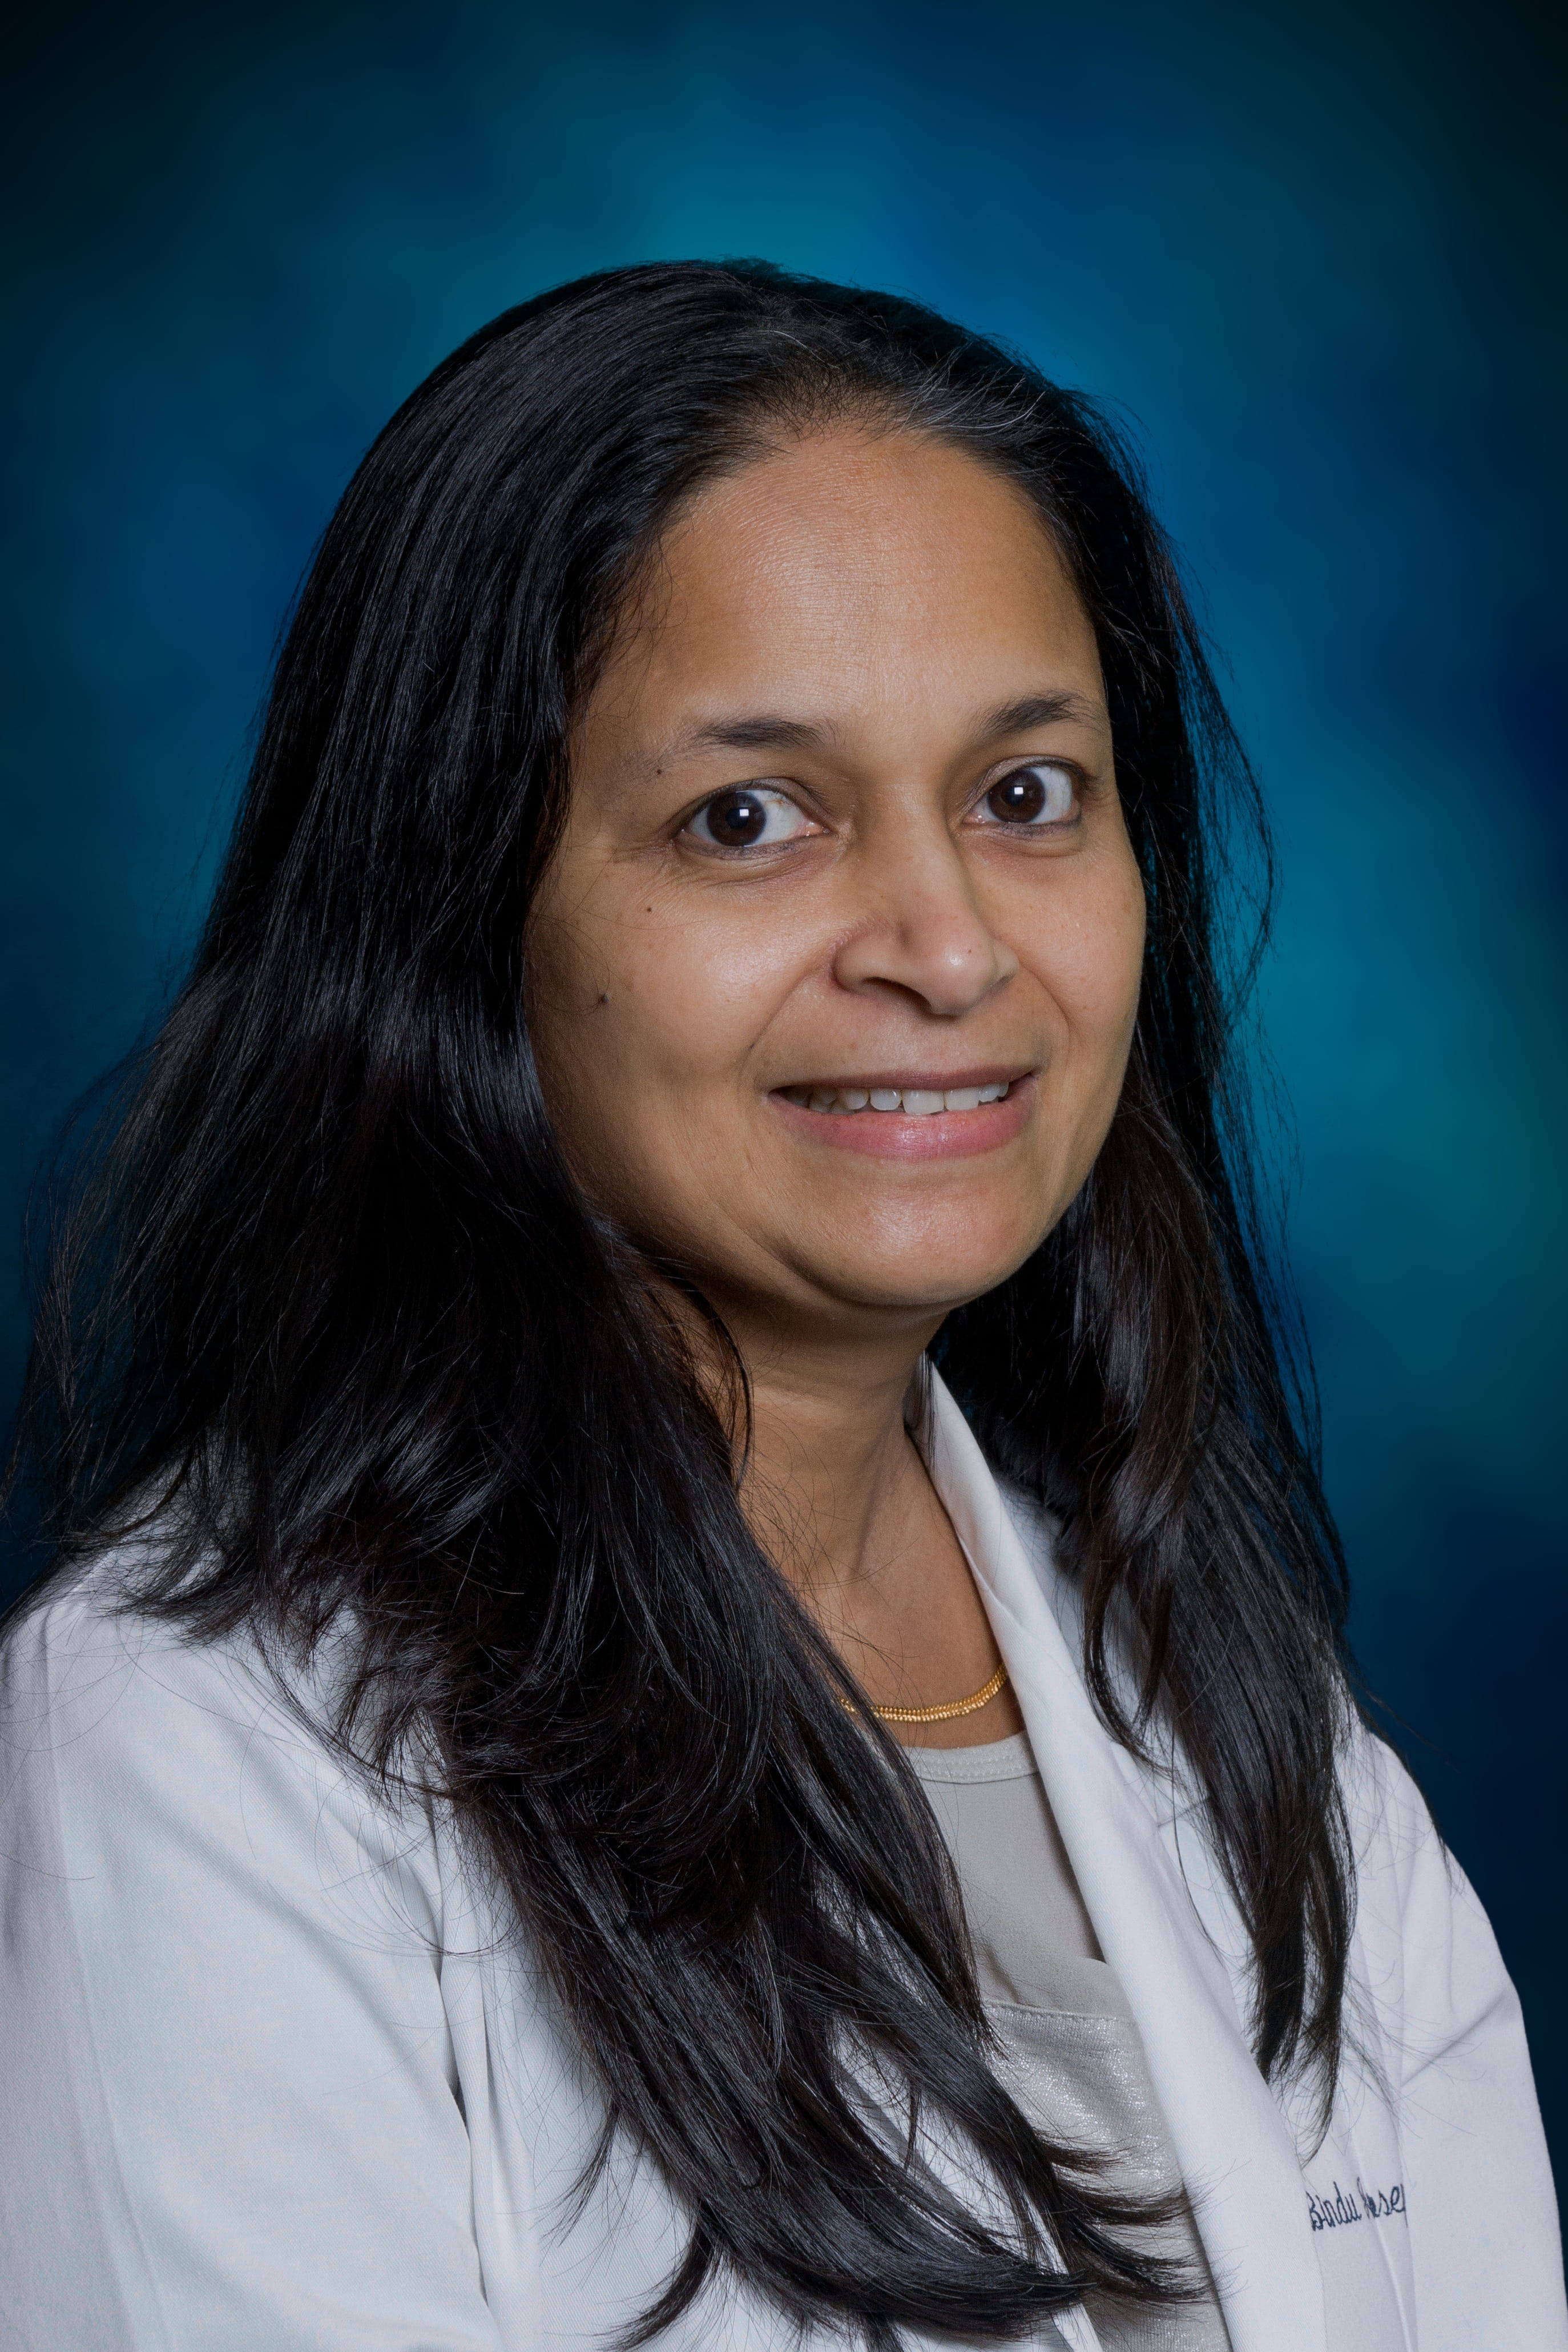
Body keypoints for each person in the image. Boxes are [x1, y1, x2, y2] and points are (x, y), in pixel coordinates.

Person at [1, 261, 1560, 2352]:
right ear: (460, 905)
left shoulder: (1256, 1730)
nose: (946, 947)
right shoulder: (201, 1760)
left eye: (1024, 794)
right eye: (749, 819)